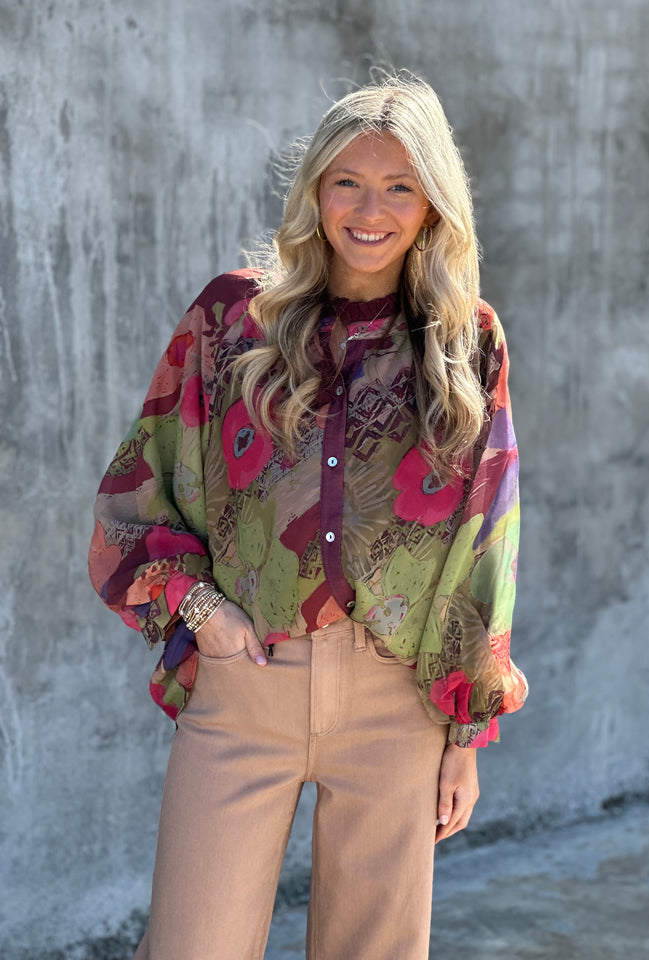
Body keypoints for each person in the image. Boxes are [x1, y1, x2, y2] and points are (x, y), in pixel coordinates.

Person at [89, 71, 528, 960]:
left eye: (400, 186)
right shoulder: (229, 318)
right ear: (316, 191)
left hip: (395, 702)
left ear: (434, 203)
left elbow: (488, 541)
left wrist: (463, 733)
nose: (371, 210)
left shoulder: (466, 340)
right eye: (348, 183)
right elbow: (136, 495)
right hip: (248, 683)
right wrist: (204, 615)